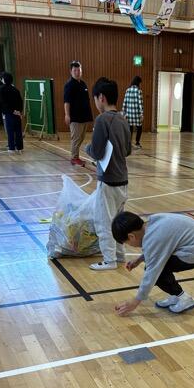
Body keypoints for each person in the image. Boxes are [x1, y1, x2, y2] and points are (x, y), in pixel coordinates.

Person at [112, 211, 194, 316]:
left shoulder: (154, 238)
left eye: (127, 243)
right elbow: (159, 248)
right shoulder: (152, 222)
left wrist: (135, 302)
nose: (130, 245)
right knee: (159, 268)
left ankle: (185, 299)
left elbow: (152, 272)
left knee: (158, 272)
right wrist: (139, 259)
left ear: (131, 236)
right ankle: (176, 296)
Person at [85, 77, 131, 271]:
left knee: (104, 221)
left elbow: (96, 151)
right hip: (123, 180)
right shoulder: (123, 119)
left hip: (108, 180)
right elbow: (128, 150)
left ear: (101, 97)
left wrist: (87, 148)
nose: (95, 102)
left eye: (95, 98)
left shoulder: (102, 119)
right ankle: (119, 256)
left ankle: (109, 260)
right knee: (118, 221)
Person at [64, 61, 93, 166]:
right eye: (75, 70)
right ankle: (74, 158)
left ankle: (75, 156)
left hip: (84, 116)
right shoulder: (69, 85)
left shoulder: (83, 84)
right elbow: (66, 101)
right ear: (71, 71)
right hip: (75, 117)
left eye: (79, 70)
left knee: (81, 138)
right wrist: (67, 115)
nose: (77, 72)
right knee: (76, 138)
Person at [0, 72, 24, 154]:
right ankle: (19, 147)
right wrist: (19, 111)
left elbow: (3, 102)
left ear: (4, 80)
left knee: (10, 130)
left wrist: (11, 111)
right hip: (17, 113)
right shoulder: (15, 89)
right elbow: (20, 101)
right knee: (18, 131)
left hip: (9, 113)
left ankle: (11, 148)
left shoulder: (2, 88)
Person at [122, 76, 143, 149]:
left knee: (130, 129)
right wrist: (142, 114)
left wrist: (123, 113)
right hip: (137, 114)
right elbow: (140, 103)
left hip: (129, 114)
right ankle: (137, 142)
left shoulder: (127, 90)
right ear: (138, 83)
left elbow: (124, 102)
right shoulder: (139, 91)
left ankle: (129, 143)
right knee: (139, 128)